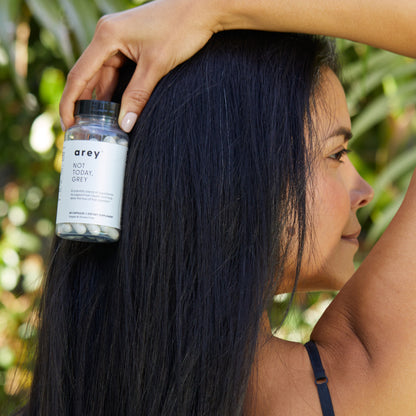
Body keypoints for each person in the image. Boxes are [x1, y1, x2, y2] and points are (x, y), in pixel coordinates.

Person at [26, 1, 416, 415]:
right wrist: (207, 9)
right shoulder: (357, 383)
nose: (365, 189)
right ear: (239, 181)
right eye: (337, 153)